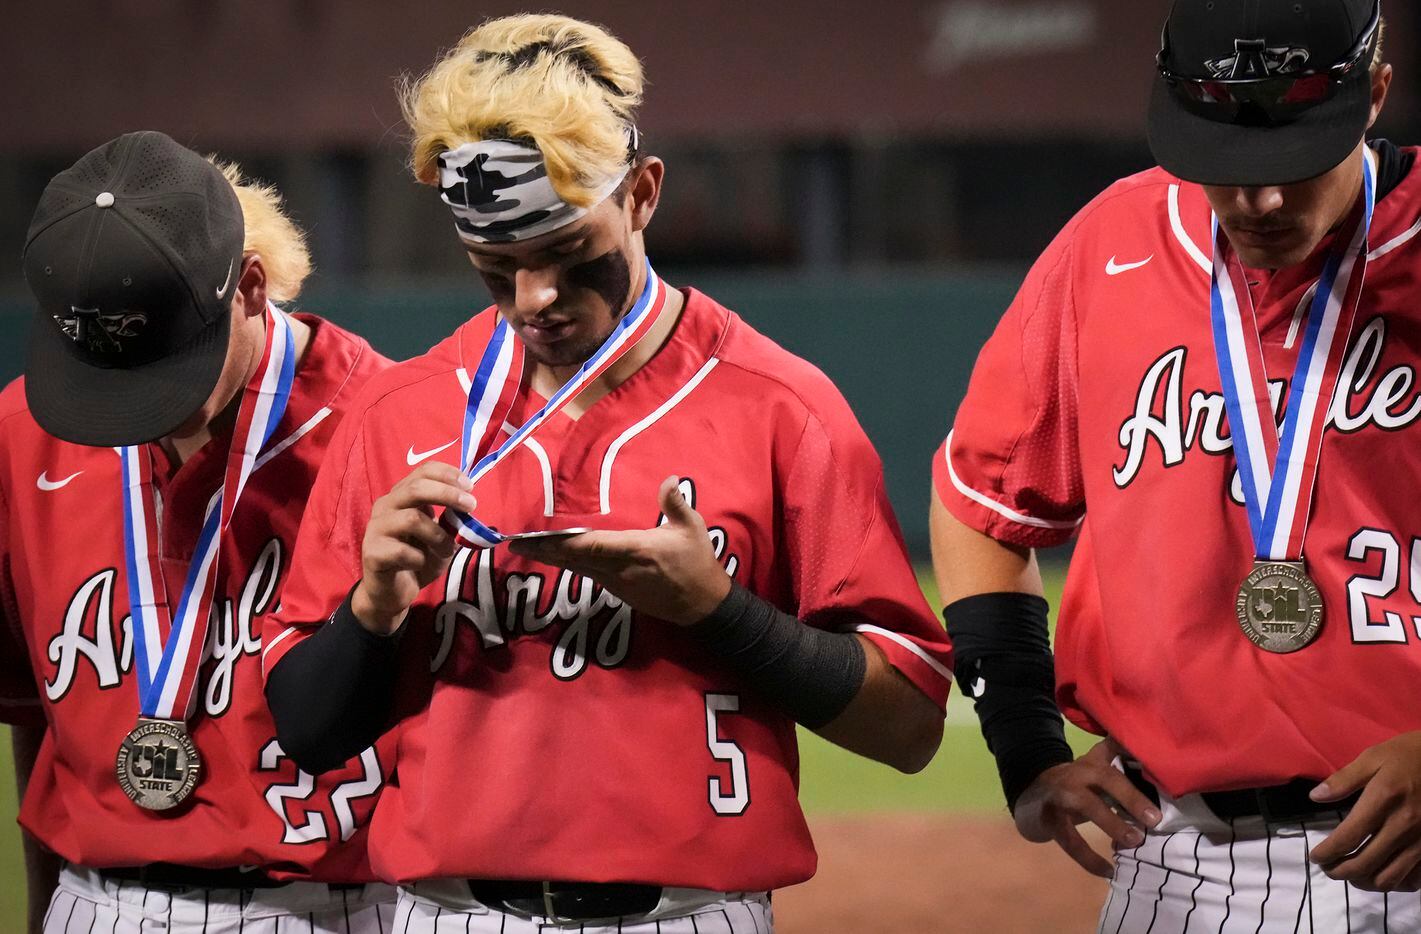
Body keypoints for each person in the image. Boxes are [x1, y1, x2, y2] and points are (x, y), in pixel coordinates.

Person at [261, 13, 952, 933]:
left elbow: (907, 729)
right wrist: (374, 610)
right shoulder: (400, 413)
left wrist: (721, 611)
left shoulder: (783, 408)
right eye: (496, 267)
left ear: (641, 194)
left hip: (690, 916)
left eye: (563, 254)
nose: (534, 299)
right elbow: (307, 736)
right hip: (450, 917)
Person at [931, 0, 1421, 929]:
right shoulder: (1108, 244)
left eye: (1290, 160)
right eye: (1222, 166)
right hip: (1188, 864)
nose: (1257, 201)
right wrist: (1025, 744)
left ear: (1375, 96)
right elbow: (977, 503)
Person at [0, 131, 396, 933]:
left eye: (166, 366)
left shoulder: (391, 426)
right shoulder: (19, 433)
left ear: (250, 287)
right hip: (97, 901)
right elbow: (31, 713)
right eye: (103, 376)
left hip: (338, 908)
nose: (131, 407)